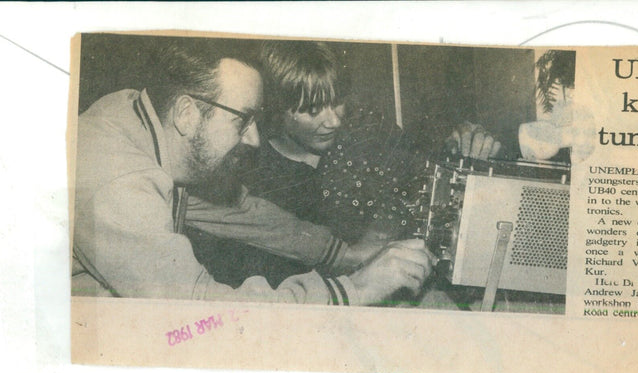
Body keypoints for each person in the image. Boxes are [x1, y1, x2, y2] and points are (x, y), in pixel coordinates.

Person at [72, 40, 434, 305]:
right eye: (242, 120)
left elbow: (243, 214)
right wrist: (358, 289)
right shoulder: (120, 184)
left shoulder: (139, 115)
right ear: (186, 114)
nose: (255, 138)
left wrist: (347, 256)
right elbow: (199, 314)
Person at [185, 40, 500, 288]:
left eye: (336, 101)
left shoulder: (368, 127)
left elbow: (425, 166)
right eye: (312, 110)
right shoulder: (252, 173)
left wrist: (462, 141)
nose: (333, 120)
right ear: (277, 109)